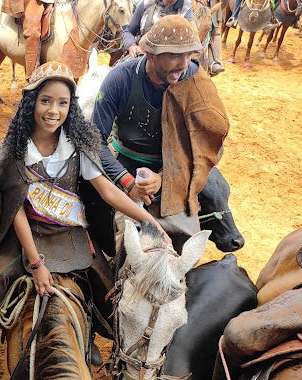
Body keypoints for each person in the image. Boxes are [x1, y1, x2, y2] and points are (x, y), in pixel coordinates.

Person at [0, 61, 170, 352]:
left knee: (110, 300)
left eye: (62, 103)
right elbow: (17, 211)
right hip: (28, 236)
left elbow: (108, 192)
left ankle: (87, 339)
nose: (54, 111)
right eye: (45, 101)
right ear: (31, 103)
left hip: (72, 236)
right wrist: (36, 265)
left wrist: (151, 222)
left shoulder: (77, 146)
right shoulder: (15, 151)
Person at [92, 16, 229, 253]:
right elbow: (95, 141)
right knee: (115, 240)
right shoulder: (120, 78)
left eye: (189, 55)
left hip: (175, 172)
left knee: (187, 245)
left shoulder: (197, 82)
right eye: (175, 55)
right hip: (124, 164)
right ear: (150, 54)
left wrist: (164, 178)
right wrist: (128, 183)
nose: (184, 64)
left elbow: (210, 147)